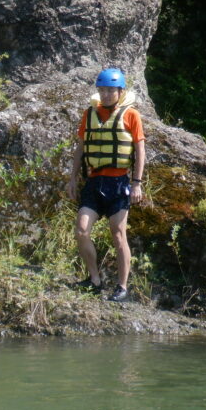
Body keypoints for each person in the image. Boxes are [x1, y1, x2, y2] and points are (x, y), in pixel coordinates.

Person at [67, 68, 145, 302]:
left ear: (120, 91)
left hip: (119, 182)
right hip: (94, 181)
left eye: (111, 90)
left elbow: (140, 150)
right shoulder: (89, 114)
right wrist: (72, 178)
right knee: (81, 230)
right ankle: (94, 280)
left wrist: (137, 183)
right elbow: (80, 147)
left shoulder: (131, 115)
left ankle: (122, 286)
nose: (106, 94)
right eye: (102, 89)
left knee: (118, 233)